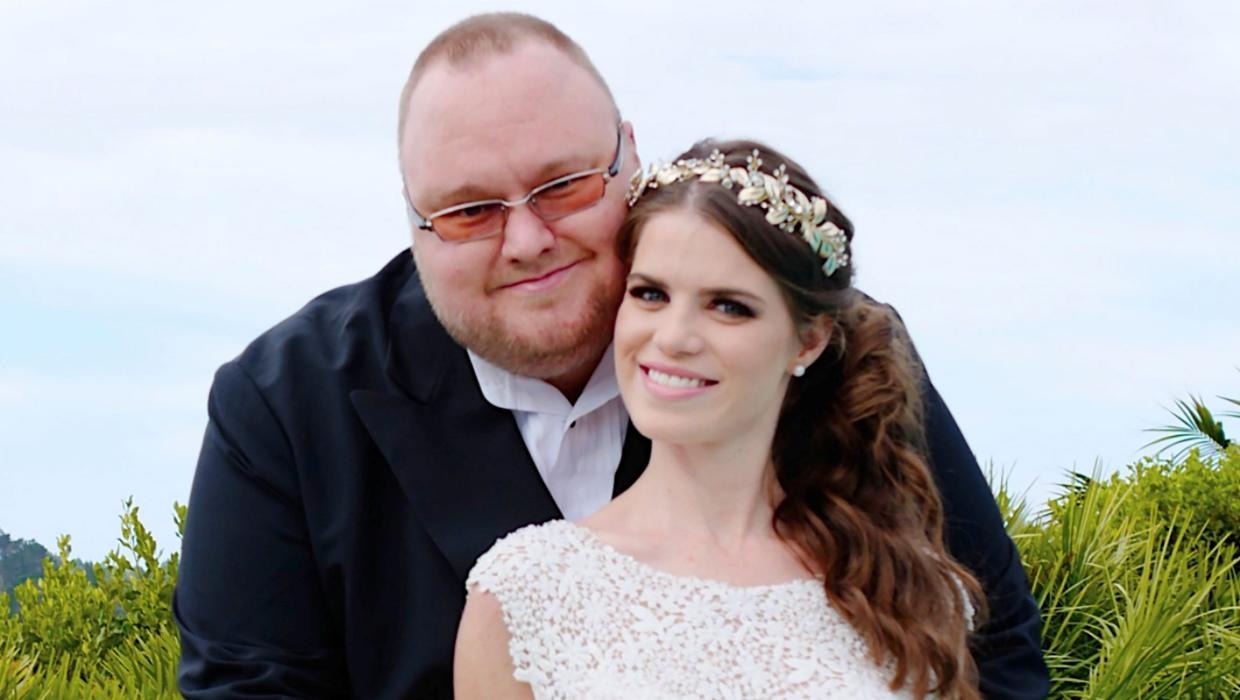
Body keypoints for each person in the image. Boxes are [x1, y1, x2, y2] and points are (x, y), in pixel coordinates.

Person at [174, 12, 1047, 699]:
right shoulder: (281, 407)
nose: (526, 241)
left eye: (563, 185)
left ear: (631, 158)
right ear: (412, 220)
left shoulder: (825, 347)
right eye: (470, 209)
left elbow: (996, 643)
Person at [456, 140, 983, 700]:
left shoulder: (902, 590)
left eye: (728, 306)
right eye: (650, 294)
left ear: (808, 340)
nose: (674, 337)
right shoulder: (526, 594)